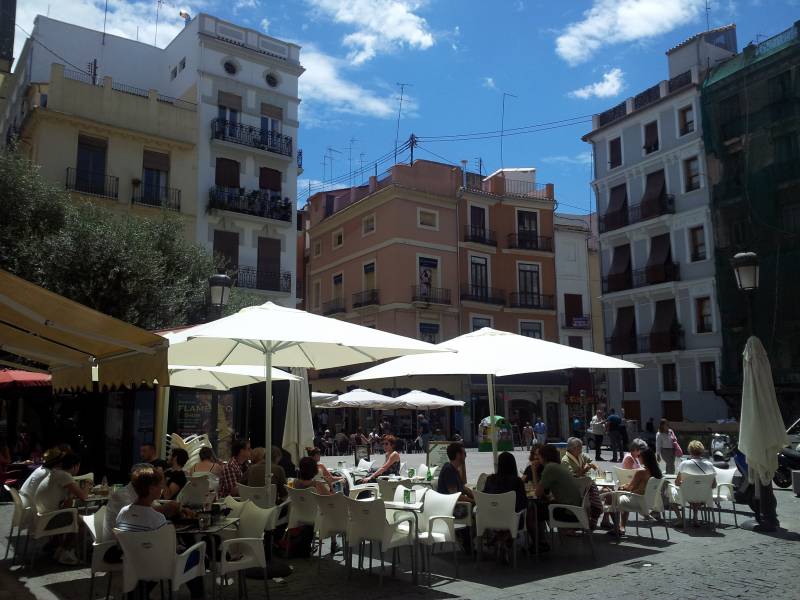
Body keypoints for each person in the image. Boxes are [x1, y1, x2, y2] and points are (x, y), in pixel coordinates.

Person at [115, 467, 204, 599]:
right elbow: (168, 549)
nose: (162, 488)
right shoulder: (157, 518)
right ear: (151, 488)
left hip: (134, 563)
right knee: (196, 554)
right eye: (160, 485)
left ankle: (139, 593)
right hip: (160, 566)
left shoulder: (122, 513)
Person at [34, 452, 89, 564]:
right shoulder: (64, 476)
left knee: (74, 515)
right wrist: (88, 484)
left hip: (42, 516)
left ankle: (60, 549)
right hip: (48, 519)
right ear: (75, 466)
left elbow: (65, 506)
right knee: (83, 522)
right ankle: (66, 552)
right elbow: (84, 497)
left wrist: (70, 495)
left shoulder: (56, 473)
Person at [483, 452, 526, 564]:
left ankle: (500, 539)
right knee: (521, 512)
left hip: (490, 519)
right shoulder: (517, 481)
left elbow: (484, 497)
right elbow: (523, 503)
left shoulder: (490, 480)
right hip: (512, 520)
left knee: (503, 517)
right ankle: (505, 539)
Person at [534, 444, 583, 543]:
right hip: (576, 510)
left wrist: (533, 470)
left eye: (538, 456)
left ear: (544, 456)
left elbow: (537, 493)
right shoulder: (557, 466)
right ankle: (541, 540)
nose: (537, 458)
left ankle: (539, 543)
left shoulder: (550, 468)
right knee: (540, 508)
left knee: (532, 511)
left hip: (569, 512)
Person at [611, 448, 663, 535]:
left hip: (637, 501)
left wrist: (622, 487)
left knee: (615, 497)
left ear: (645, 458)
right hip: (649, 502)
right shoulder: (657, 472)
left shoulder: (641, 472)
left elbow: (630, 488)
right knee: (623, 495)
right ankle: (621, 527)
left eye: (639, 456)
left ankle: (618, 528)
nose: (638, 457)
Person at [670, 440, 717, 526]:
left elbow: (677, 483)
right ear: (702, 451)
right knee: (697, 490)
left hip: (687, 495)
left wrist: (684, 483)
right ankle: (695, 518)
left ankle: (680, 519)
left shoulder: (684, 464)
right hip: (704, 496)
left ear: (690, 451)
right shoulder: (709, 465)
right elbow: (714, 485)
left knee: (670, 491)